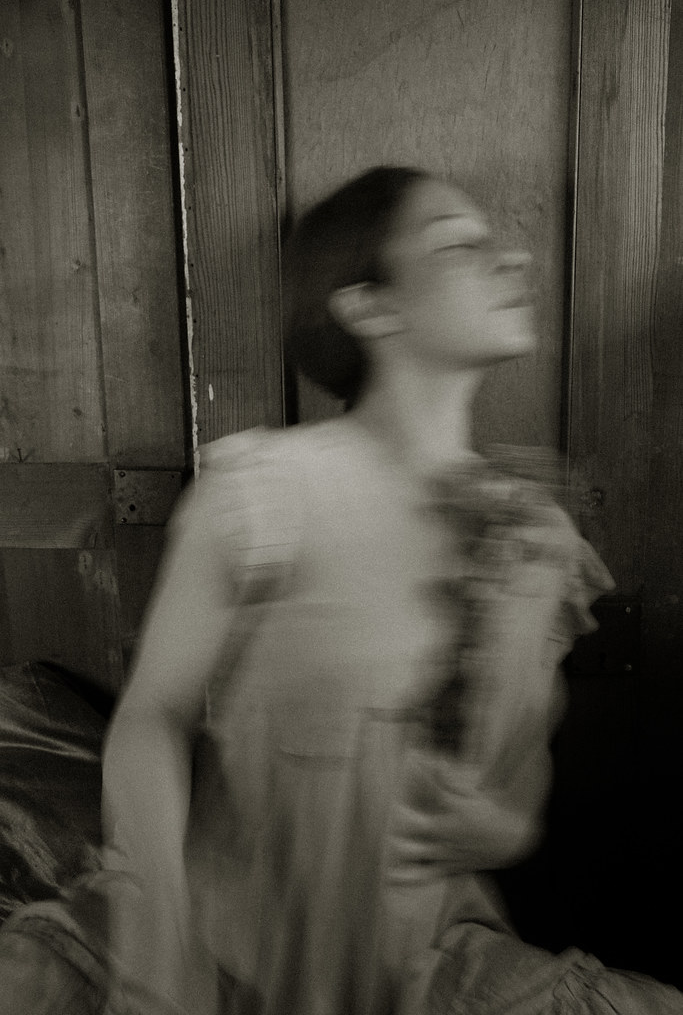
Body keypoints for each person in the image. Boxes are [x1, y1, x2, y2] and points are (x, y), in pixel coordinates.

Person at [100, 166, 682, 1015]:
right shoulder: (263, 492)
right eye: (457, 245)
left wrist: (508, 824)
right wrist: (159, 946)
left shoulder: (537, 534)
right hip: (225, 955)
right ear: (369, 306)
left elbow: (523, 753)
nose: (513, 259)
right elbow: (152, 716)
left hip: (429, 964)